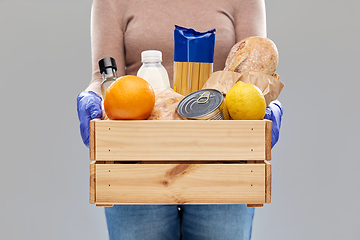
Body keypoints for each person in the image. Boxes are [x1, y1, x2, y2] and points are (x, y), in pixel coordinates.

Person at [77, 0, 283, 239]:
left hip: (221, 163)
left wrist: (265, 102)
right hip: (137, 162)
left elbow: (255, 75)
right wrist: (93, 96)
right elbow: (104, 76)